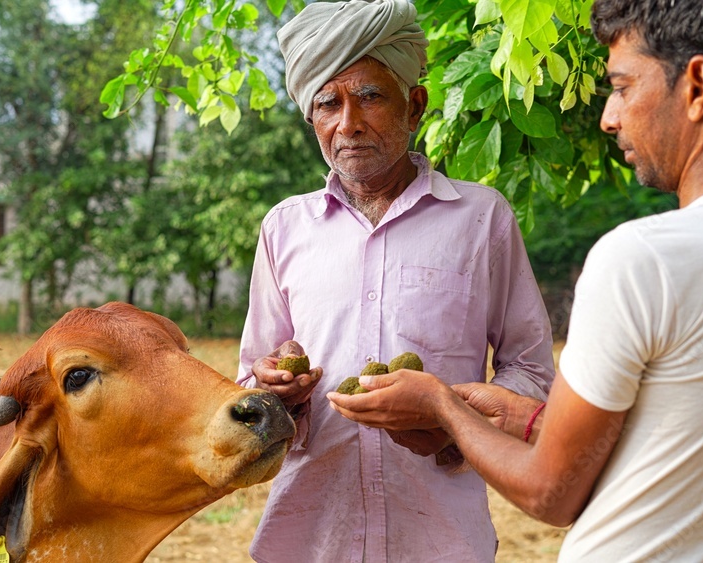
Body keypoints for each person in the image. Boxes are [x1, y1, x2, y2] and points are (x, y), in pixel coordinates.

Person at [329, 0, 703, 560]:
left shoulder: (646, 258)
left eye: (621, 87)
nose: (609, 117)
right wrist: (529, 420)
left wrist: (442, 408)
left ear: (697, 86)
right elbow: (691, 441)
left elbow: (551, 492)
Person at [236, 1, 556, 561]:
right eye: (328, 103)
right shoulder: (284, 227)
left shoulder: (482, 218)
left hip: (441, 540)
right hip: (309, 540)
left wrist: (450, 424)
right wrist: (274, 390)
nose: (348, 122)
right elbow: (247, 387)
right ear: (311, 116)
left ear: (415, 105)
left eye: (370, 97)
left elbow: (530, 370)